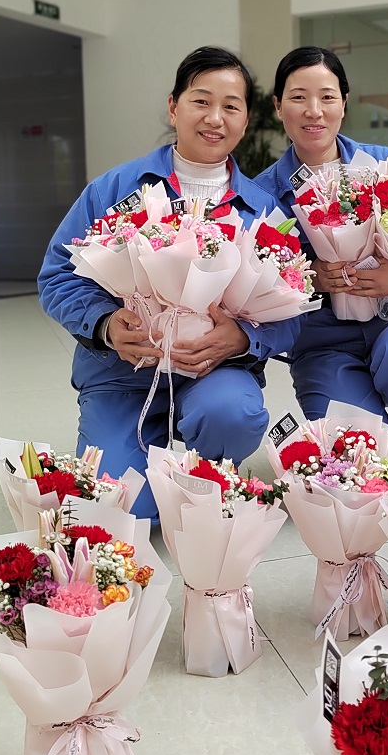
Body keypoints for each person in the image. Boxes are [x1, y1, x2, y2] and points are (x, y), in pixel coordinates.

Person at [39, 46, 302, 519]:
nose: (214, 118)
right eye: (201, 101)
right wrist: (104, 324)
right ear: (173, 106)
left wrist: (244, 337)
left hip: (215, 372)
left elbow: (294, 309)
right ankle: (143, 455)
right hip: (123, 375)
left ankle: (208, 470)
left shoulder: (265, 212)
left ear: (246, 120)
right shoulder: (115, 190)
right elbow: (57, 275)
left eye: (231, 106)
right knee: (124, 511)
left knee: (232, 414)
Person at [256, 46, 388, 471]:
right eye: (298, 97)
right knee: (352, 461)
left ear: (344, 103)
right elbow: (254, 284)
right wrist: (307, 278)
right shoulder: (261, 195)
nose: (314, 111)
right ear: (277, 106)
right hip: (323, 345)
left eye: (327, 97)